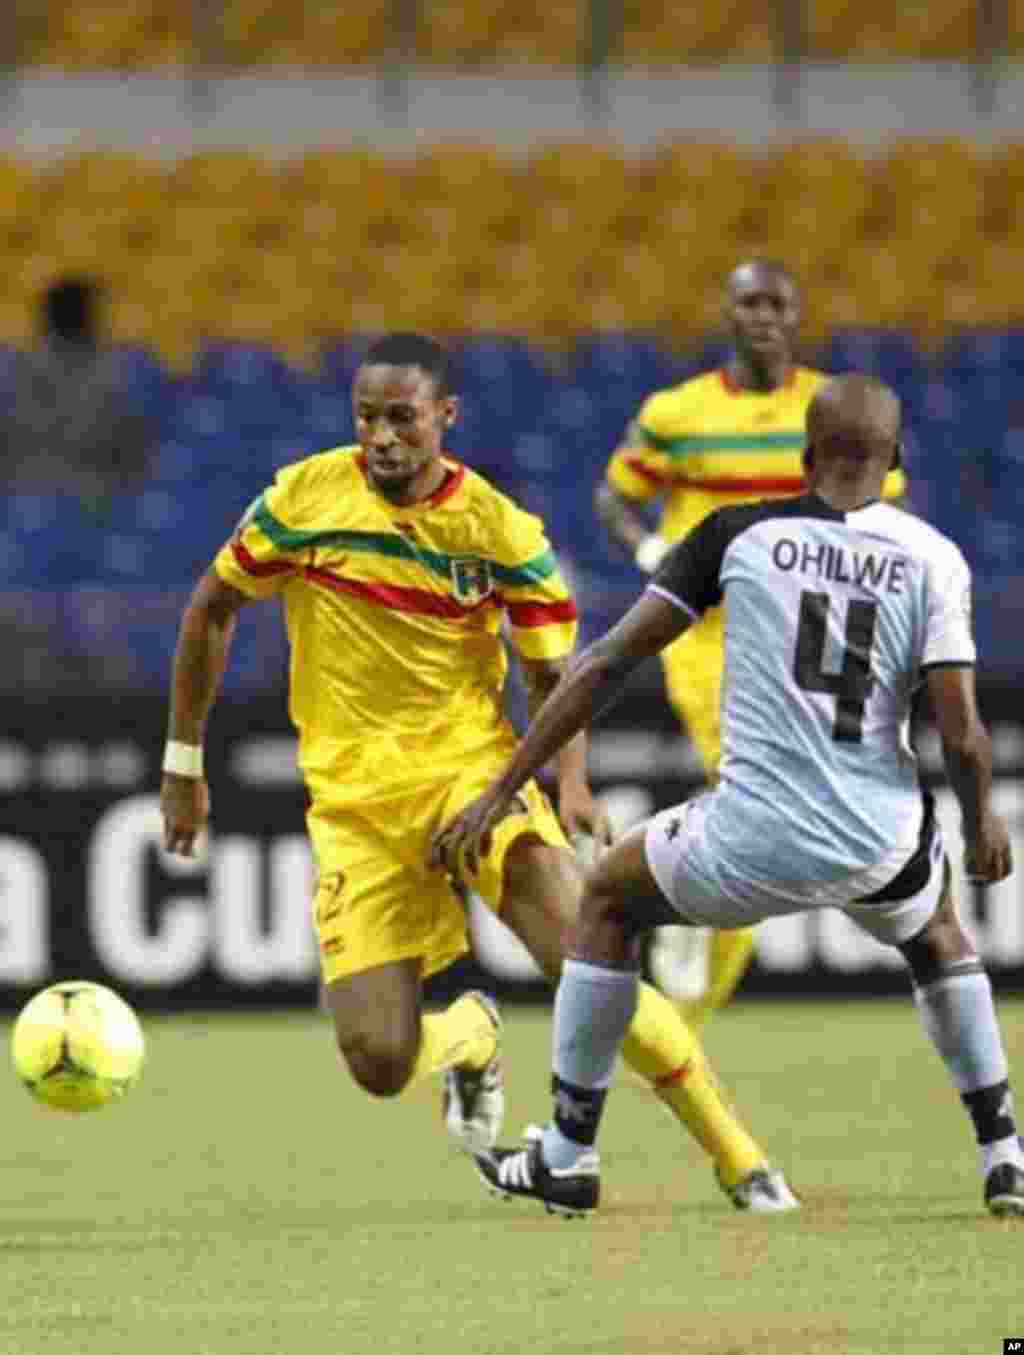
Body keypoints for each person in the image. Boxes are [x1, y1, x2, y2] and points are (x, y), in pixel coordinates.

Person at [160, 332, 798, 1212]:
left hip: (475, 780)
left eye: (403, 418)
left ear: (445, 417)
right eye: (368, 418)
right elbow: (210, 609)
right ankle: (466, 1031)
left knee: (589, 963)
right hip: (353, 809)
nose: (382, 437)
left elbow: (556, 676)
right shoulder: (304, 498)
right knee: (379, 1064)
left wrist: (570, 785)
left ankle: (742, 1159)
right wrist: (183, 760)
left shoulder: (498, 529)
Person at [435, 374, 1023, 1219]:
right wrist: (985, 820)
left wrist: (504, 786)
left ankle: (567, 1150)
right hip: (880, 841)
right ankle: (1005, 1155)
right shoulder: (935, 559)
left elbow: (602, 665)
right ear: (895, 459)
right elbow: (960, 732)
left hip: (748, 838)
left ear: (805, 455)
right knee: (938, 936)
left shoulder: (736, 536)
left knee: (605, 900)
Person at [595, 260, 907, 1028]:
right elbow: (615, 496)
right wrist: (647, 552)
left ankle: (685, 997)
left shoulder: (832, 408)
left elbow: (877, 514)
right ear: (727, 314)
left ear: (797, 315)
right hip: (710, 631)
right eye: (748, 303)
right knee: (744, 777)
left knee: (779, 813)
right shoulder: (678, 411)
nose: (762, 316)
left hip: (808, 633)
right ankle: (678, 928)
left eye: (776, 303)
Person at [1, 276, 151, 496]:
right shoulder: (115, 379)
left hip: (23, 503)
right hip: (96, 506)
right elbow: (132, 461)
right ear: (90, 319)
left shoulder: (13, 373)